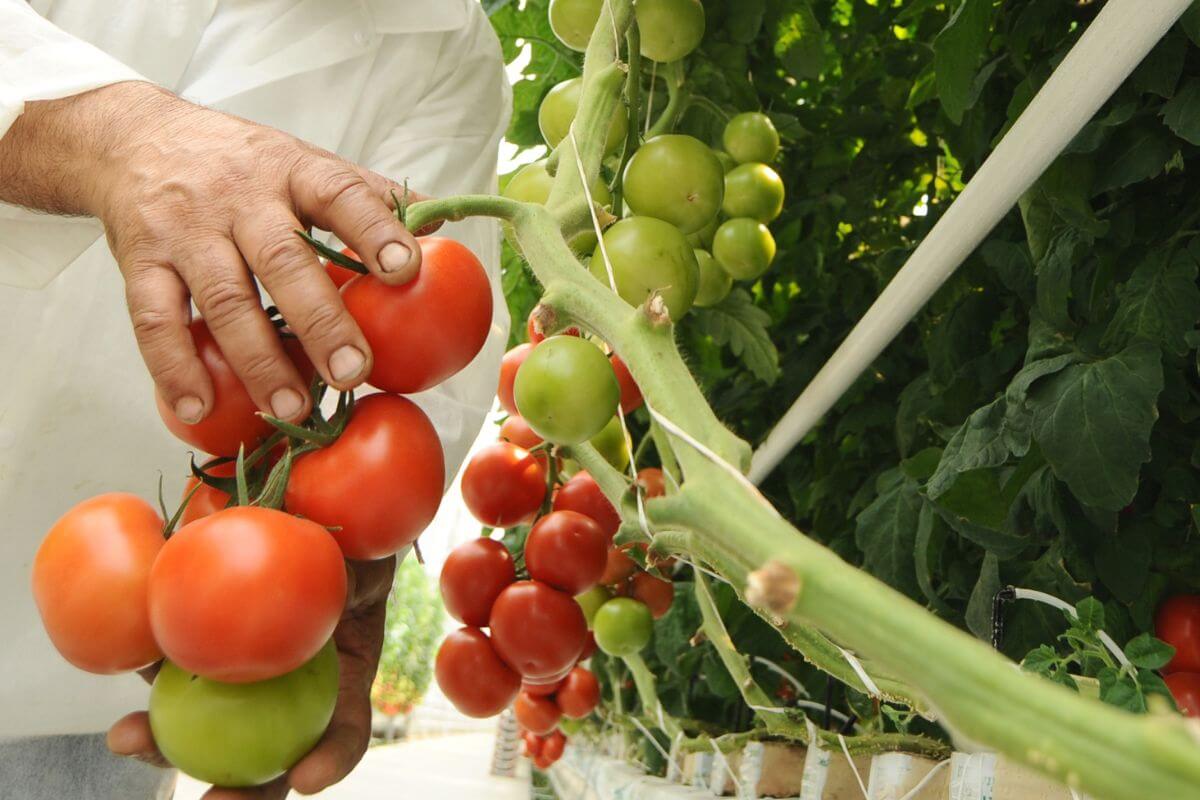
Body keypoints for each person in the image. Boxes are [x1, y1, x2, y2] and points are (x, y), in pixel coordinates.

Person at [0, 1, 511, 798]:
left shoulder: (449, 52)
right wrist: (116, 139)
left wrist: (340, 568)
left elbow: (422, 363)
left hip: (100, 698)